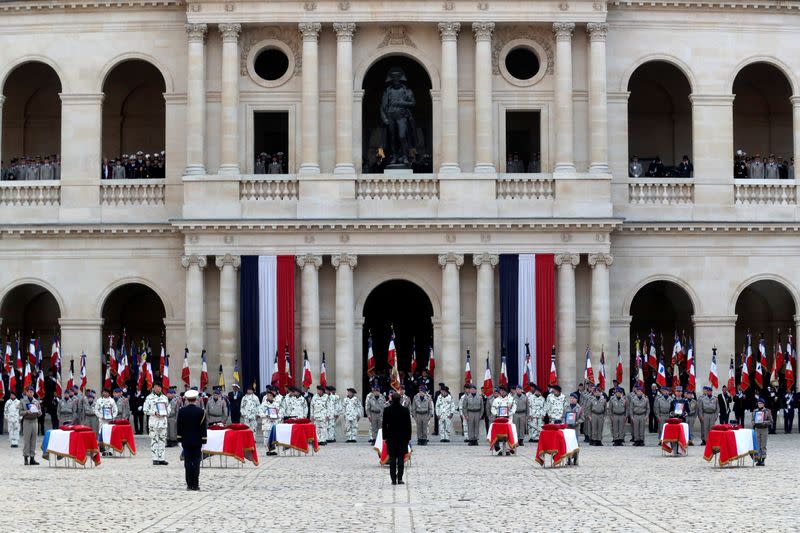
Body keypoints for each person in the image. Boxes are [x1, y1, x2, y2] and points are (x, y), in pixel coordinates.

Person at [177, 389, 207, 490]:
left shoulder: (182, 411)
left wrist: (179, 439)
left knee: (188, 463)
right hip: (197, 441)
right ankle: (196, 484)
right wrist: (204, 440)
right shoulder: (201, 411)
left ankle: (189, 484)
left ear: (187, 399)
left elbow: (179, 427)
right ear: (196, 399)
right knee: (197, 462)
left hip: (186, 440)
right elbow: (203, 428)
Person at [382, 392, 412, 485]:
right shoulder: (405, 410)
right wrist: (408, 437)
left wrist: (384, 437)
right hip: (402, 438)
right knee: (400, 459)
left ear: (392, 398)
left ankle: (393, 480)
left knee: (392, 459)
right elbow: (408, 425)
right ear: (400, 399)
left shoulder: (387, 410)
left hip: (391, 438)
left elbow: (384, 425)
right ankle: (399, 478)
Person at [142, 382, 170, 465]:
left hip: (163, 422)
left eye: (159, 387)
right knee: (154, 440)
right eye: (156, 387)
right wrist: (154, 413)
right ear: (153, 388)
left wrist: (166, 412)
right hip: (154, 422)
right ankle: (155, 458)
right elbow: (145, 410)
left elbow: (169, 408)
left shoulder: (164, 398)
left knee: (162, 440)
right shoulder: (149, 398)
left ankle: (162, 458)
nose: (158, 388)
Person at [20, 386, 41, 465]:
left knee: (33, 440)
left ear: (33, 392)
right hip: (27, 421)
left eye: (32, 392)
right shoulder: (23, 401)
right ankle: (26, 457)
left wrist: (38, 412)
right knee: (27, 440)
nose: (30, 393)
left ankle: (32, 458)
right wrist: (26, 412)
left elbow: (40, 412)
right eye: (29, 392)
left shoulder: (36, 401)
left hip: (34, 421)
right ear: (26, 392)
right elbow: (20, 412)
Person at [94, 388, 118, 455]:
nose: (105, 393)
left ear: (109, 393)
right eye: (104, 392)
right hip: (102, 421)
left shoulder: (112, 400)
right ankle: (103, 450)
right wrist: (101, 416)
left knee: (110, 435)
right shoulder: (99, 400)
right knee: (102, 435)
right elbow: (96, 410)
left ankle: (110, 450)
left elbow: (115, 410)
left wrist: (112, 416)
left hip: (110, 421)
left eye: (106, 392)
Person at [258, 389, 282, 453]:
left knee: (274, 437)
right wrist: (266, 415)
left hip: (274, 423)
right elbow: (260, 413)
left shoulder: (276, 404)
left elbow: (280, 413)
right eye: (268, 395)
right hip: (266, 423)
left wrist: (277, 416)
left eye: (270, 395)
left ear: (273, 396)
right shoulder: (263, 404)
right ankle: (267, 450)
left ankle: (273, 450)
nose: (269, 397)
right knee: (266, 437)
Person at [563, 393, 584, 465]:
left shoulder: (579, 408)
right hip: (568, 428)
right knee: (568, 443)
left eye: (573, 398)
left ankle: (575, 459)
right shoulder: (566, 407)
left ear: (576, 399)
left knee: (575, 444)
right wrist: (564, 423)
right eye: (571, 398)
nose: (571, 399)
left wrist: (577, 422)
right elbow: (563, 417)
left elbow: (582, 418)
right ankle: (568, 459)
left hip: (575, 428)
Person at [752, 397, 772, 467]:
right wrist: (753, 422)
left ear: (763, 404)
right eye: (758, 403)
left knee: (763, 445)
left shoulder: (767, 411)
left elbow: (771, 421)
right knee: (757, 445)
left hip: (764, 429)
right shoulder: (755, 411)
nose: (759, 404)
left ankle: (763, 460)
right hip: (757, 429)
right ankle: (758, 460)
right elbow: (752, 420)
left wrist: (764, 422)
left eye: (761, 403)